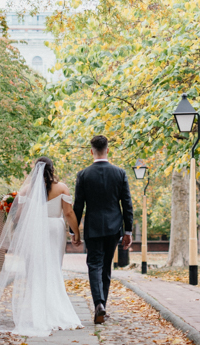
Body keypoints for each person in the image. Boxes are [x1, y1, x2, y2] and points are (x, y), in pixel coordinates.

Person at [0, 157, 84, 337]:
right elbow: (68, 213)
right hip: (54, 229)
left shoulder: (26, 189)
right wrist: (76, 233)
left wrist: (15, 222)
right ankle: (54, 310)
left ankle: (36, 312)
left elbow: (19, 214)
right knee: (53, 267)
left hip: (35, 229)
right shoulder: (62, 188)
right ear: (52, 169)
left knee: (35, 270)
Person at [73, 135, 134, 325]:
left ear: (91, 151)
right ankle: (102, 306)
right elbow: (127, 204)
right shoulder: (120, 173)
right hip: (113, 227)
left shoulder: (83, 175)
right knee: (106, 267)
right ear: (107, 150)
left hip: (93, 227)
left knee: (94, 264)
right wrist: (128, 231)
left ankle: (99, 303)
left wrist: (73, 231)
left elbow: (78, 206)